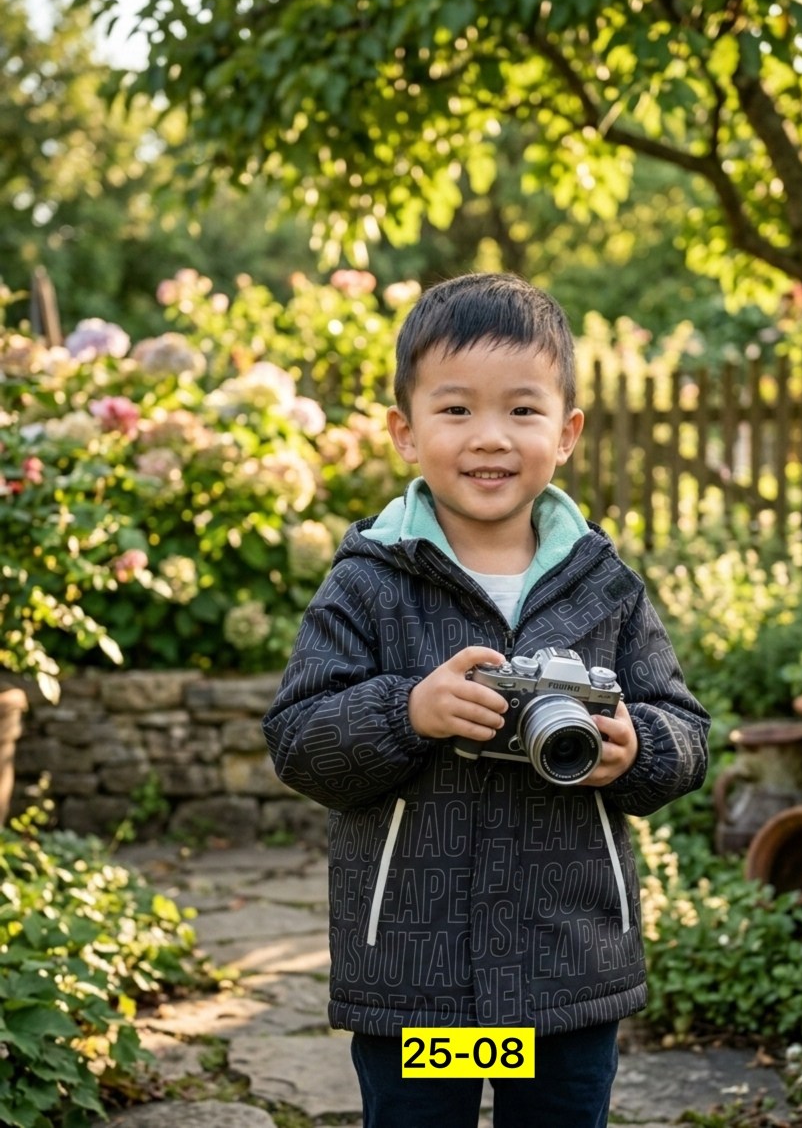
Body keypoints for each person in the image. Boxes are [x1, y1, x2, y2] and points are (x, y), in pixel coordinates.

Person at [263, 272, 709, 1128]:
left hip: (567, 975)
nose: (490, 438)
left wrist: (635, 747)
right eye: (457, 409)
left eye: (523, 410)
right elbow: (297, 738)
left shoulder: (604, 586)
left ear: (568, 431)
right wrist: (406, 712)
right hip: (416, 978)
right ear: (405, 430)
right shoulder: (369, 584)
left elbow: (684, 729)